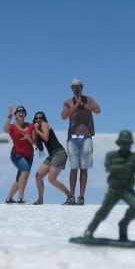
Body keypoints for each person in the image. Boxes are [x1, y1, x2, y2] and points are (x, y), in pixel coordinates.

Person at [80, 130, 135, 242]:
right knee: (103, 212)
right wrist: (129, 164)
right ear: (119, 143)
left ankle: (123, 225)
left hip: (127, 190)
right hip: (114, 190)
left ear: (131, 144)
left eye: (127, 143)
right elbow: (111, 168)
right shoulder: (111, 155)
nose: (125, 145)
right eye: (123, 143)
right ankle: (90, 230)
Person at [61, 77, 101, 205]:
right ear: (71, 89)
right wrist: (76, 105)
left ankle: (81, 196)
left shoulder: (88, 99)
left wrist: (83, 104)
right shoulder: (68, 102)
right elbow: (64, 116)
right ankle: (71, 195)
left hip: (86, 137)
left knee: (84, 168)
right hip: (72, 138)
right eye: (74, 86)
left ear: (82, 88)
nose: (77, 88)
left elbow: (98, 110)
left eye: (79, 86)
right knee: (73, 168)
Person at [32, 111, 72, 204]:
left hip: (59, 153)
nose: (38, 120)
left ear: (44, 119)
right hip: (52, 155)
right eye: (36, 118)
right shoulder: (38, 129)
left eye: (40, 118)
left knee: (51, 179)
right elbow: (35, 143)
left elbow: (46, 138)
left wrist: (36, 130)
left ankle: (70, 196)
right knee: (38, 176)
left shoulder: (44, 124)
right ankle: (40, 200)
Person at [3, 104, 36, 203]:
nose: (21, 112)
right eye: (19, 111)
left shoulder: (31, 126)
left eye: (23, 111)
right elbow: (5, 130)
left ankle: (8, 199)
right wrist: (9, 116)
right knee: (25, 171)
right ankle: (21, 198)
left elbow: (35, 142)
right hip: (16, 154)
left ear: (25, 114)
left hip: (29, 156)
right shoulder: (12, 127)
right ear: (16, 114)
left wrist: (28, 138)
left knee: (20, 178)